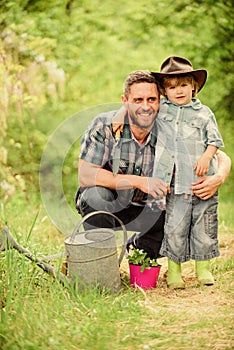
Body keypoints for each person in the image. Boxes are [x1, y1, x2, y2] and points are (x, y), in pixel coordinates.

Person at [75, 69, 231, 263]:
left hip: (150, 208)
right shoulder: (105, 126)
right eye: (138, 100)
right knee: (94, 197)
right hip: (113, 201)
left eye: (151, 99)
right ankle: (100, 264)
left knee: (177, 219)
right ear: (125, 101)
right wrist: (139, 181)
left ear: (161, 101)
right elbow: (86, 175)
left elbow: (219, 154)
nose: (146, 107)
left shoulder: (169, 124)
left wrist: (219, 177)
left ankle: (138, 251)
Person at [152, 56, 225, 288]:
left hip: (201, 181)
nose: (179, 91)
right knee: (175, 227)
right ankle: (174, 272)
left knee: (204, 225)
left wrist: (206, 156)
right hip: (175, 184)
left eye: (183, 85)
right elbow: (138, 112)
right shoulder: (161, 111)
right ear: (164, 91)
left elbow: (214, 140)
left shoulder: (204, 113)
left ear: (194, 85)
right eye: (172, 87)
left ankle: (203, 268)